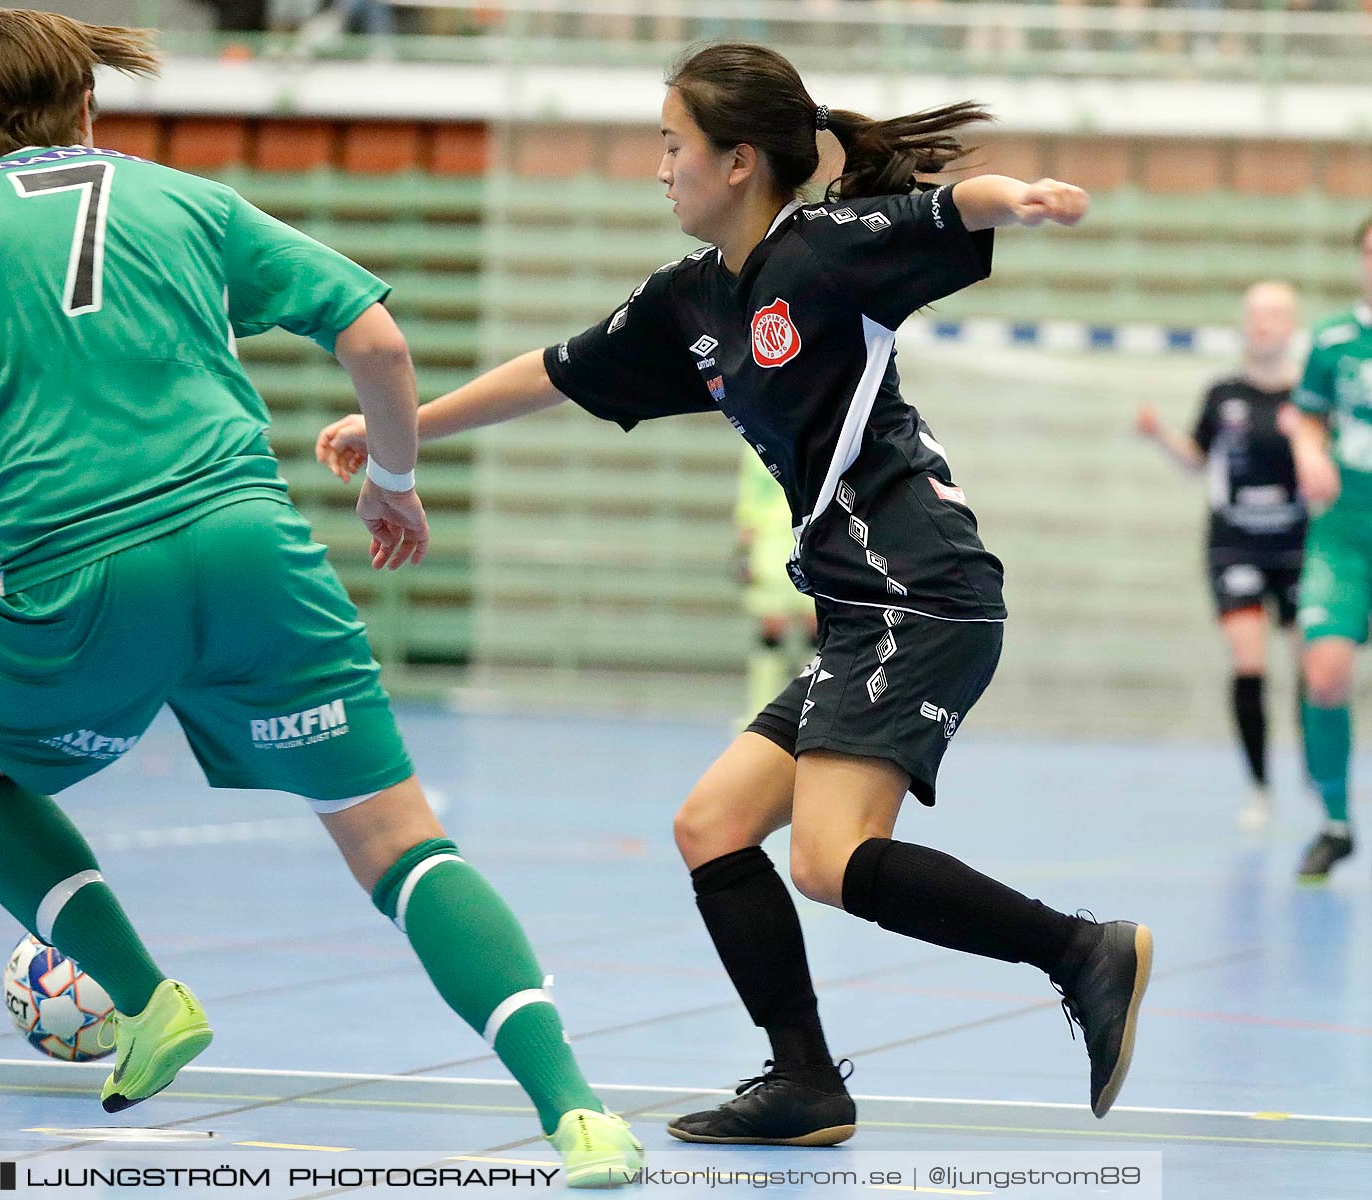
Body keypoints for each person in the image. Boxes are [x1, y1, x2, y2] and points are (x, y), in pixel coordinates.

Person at [0, 10, 641, 1187]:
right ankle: (579, 1116)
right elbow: (379, 343)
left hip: (76, 574)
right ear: (88, 107)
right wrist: (392, 485)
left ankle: (144, 999)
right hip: (254, 548)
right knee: (398, 839)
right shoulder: (185, 201)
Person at [317, 42, 1154, 1146]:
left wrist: (1027, 200)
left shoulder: (823, 256)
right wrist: (401, 431)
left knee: (824, 857)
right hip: (861, 608)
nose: (659, 168)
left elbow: (950, 208)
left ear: (737, 160)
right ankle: (805, 1082)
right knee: (712, 825)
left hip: (921, 590)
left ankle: (1080, 950)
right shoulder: (692, 301)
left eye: (672, 146)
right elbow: (553, 370)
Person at [1135, 281, 1307, 832]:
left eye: (1276, 314)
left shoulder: (1309, 396)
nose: (1264, 323)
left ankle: (1317, 771)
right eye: (1256, 313)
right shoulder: (1222, 394)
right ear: (1243, 323)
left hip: (1301, 545)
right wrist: (1159, 434)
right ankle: (1259, 786)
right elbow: (1197, 458)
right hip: (1235, 543)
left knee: (1315, 667)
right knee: (1248, 660)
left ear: (1291, 326)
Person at [1285, 216, 1372, 883]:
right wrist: (1310, 450)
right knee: (1324, 674)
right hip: (1343, 533)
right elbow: (1306, 414)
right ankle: (1336, 823)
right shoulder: (1333, 340)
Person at [735, 448, 821, 716]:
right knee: (772, 629)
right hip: (770, 547)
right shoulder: (754, 444)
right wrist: (743, 552)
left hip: (811, 542)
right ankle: (760, 713)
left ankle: (814, 713)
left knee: (817, 630)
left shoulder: (817, 437)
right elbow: (750, 497)